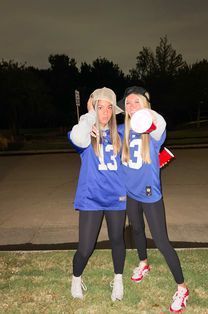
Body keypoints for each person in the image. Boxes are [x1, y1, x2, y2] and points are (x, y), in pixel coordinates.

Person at [119, 86, 189, 313]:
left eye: (135, 102)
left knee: (161, 241)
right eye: (127, 103)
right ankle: (143, 263)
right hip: (131, 193)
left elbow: (161, 123)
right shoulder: (123, 130)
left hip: (150, 196)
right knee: (136, 230)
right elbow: (102, 127)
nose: (130, 107)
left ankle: (182, 288)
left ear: (145, 104)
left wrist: (146, 111)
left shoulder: (154, 130)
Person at [68, 87, 126, 301]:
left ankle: (118, 280)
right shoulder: (85, 132)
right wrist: (89, 115)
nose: (105, 112)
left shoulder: (120, 132)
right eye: (100, 107)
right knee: (85, 247)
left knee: (117, 239)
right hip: (91, 197)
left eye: (109, 107)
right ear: (93, 108)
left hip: (116, 197)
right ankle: (76, 278)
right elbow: (76, 137)